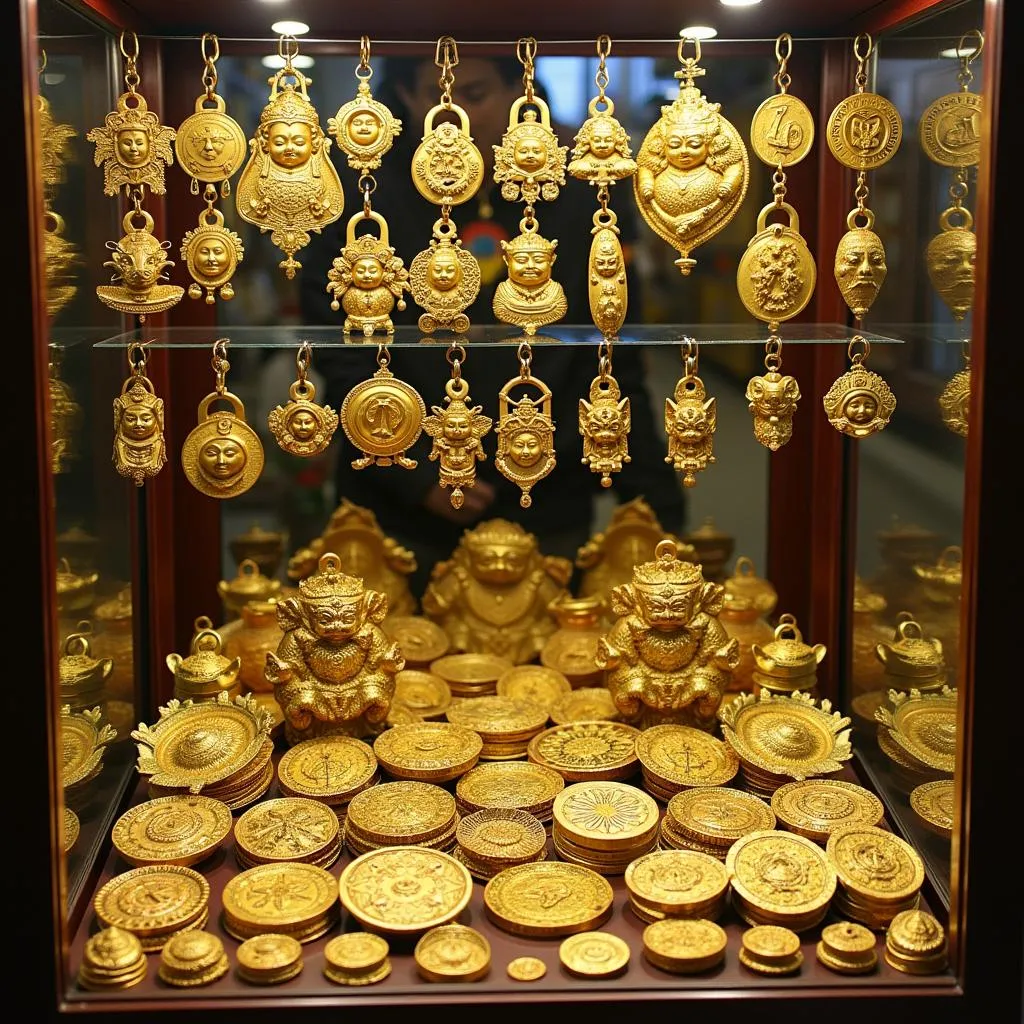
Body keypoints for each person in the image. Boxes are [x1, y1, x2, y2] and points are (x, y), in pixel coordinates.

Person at [300, 55, 685, 598]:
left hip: (550, 486)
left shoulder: (578, 192)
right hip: (399, 492)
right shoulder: (365, 194)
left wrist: (655, 507)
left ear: (520, 90)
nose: (452, 121)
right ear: (405, 98)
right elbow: (338, 344)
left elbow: (614, 349)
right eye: (436, 100)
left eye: (475, 94)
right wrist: (407, 473)